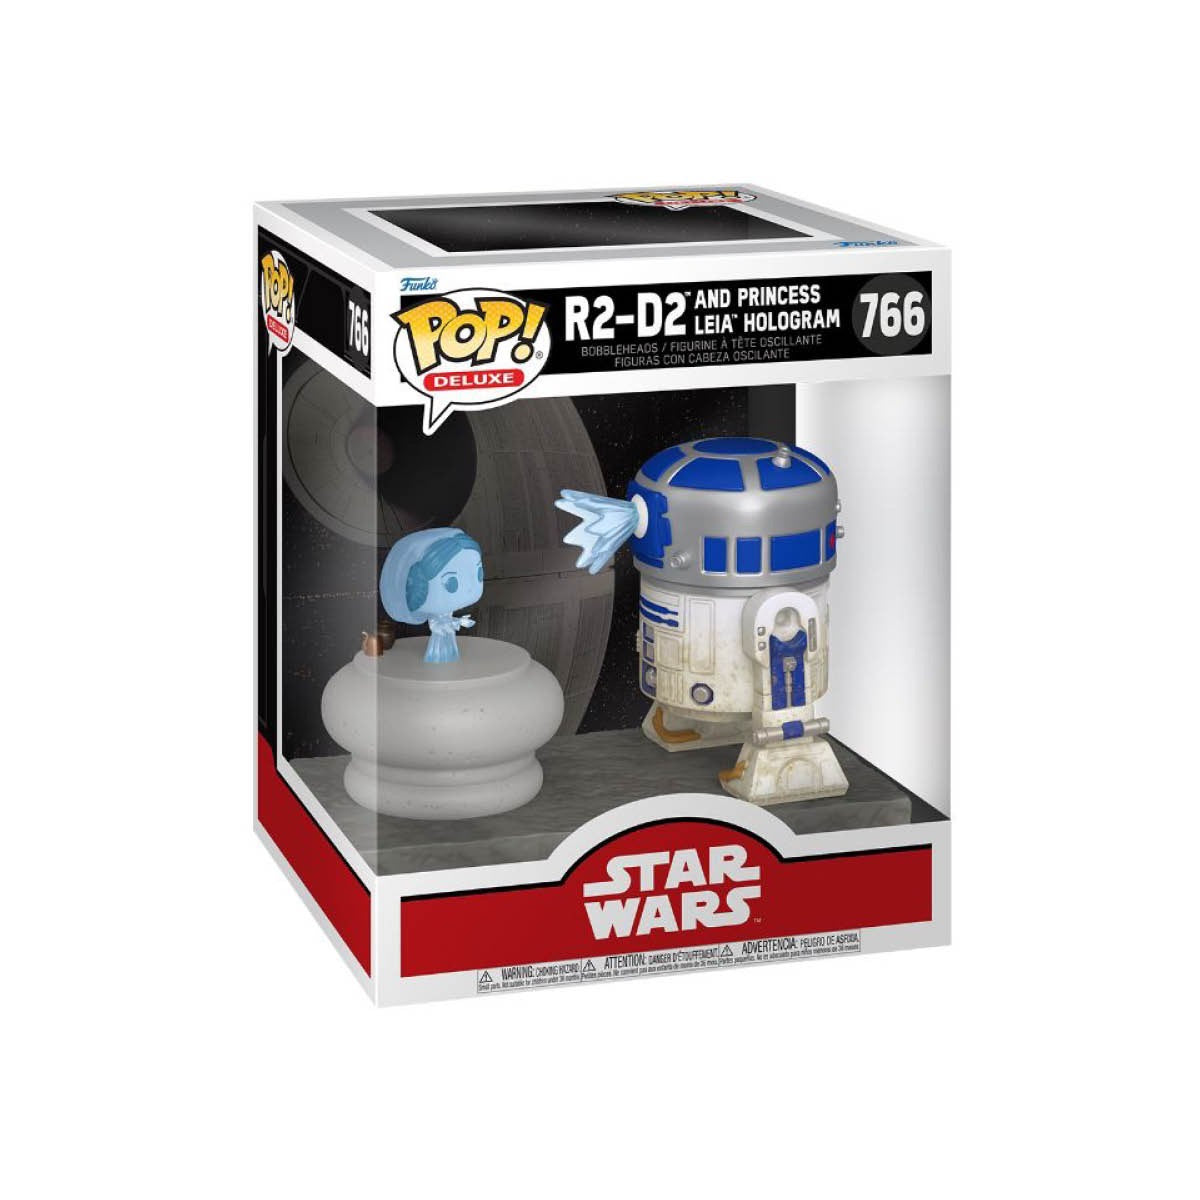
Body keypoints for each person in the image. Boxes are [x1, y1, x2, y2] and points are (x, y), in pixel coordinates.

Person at [378, 528, 484, 663]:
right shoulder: (436, 617)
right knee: (440, 651)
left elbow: (447, 622)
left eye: (479, 573)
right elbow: (439, 625)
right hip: (439, 639)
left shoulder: (447, 610)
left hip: (448, 637)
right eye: (451, 582)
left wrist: (458, 622)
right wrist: (459, 622)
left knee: (449, 650)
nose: (469, 587)